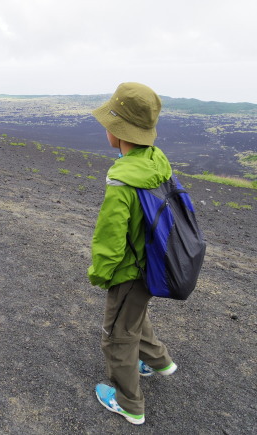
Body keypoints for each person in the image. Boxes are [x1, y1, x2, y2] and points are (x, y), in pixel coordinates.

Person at [88, 82, 178, 426]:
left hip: (129, 271)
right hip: (155, 262)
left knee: (116, 335)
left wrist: (100, 272)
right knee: (135, 314)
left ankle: (129, 403)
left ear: (117, 131)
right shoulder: (155, 161)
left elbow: (110, 236)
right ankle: (158, 361)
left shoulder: (122, 179)